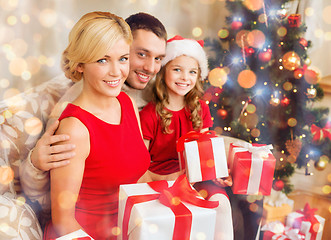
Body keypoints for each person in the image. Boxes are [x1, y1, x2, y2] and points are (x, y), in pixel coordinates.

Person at [19, 12, 167, 227]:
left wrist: (183, 177)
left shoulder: (126, 102)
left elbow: (139, 176)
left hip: (132, 225)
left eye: (123, 59)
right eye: (102, 60)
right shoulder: (74, 128)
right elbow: (63, 222)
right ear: (80, 64)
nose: (117, 72)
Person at [139, 35, 234, 239]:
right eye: (177, 69)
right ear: (164, 71)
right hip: (163, 179)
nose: (185, 78)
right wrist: (169, 178)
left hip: (196, 177)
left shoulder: (200, 109)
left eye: (192, 72)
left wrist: (216, 173)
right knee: (177, 217)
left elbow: (204, 154)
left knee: (222, 204)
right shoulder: (149, 114)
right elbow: (139, 164)